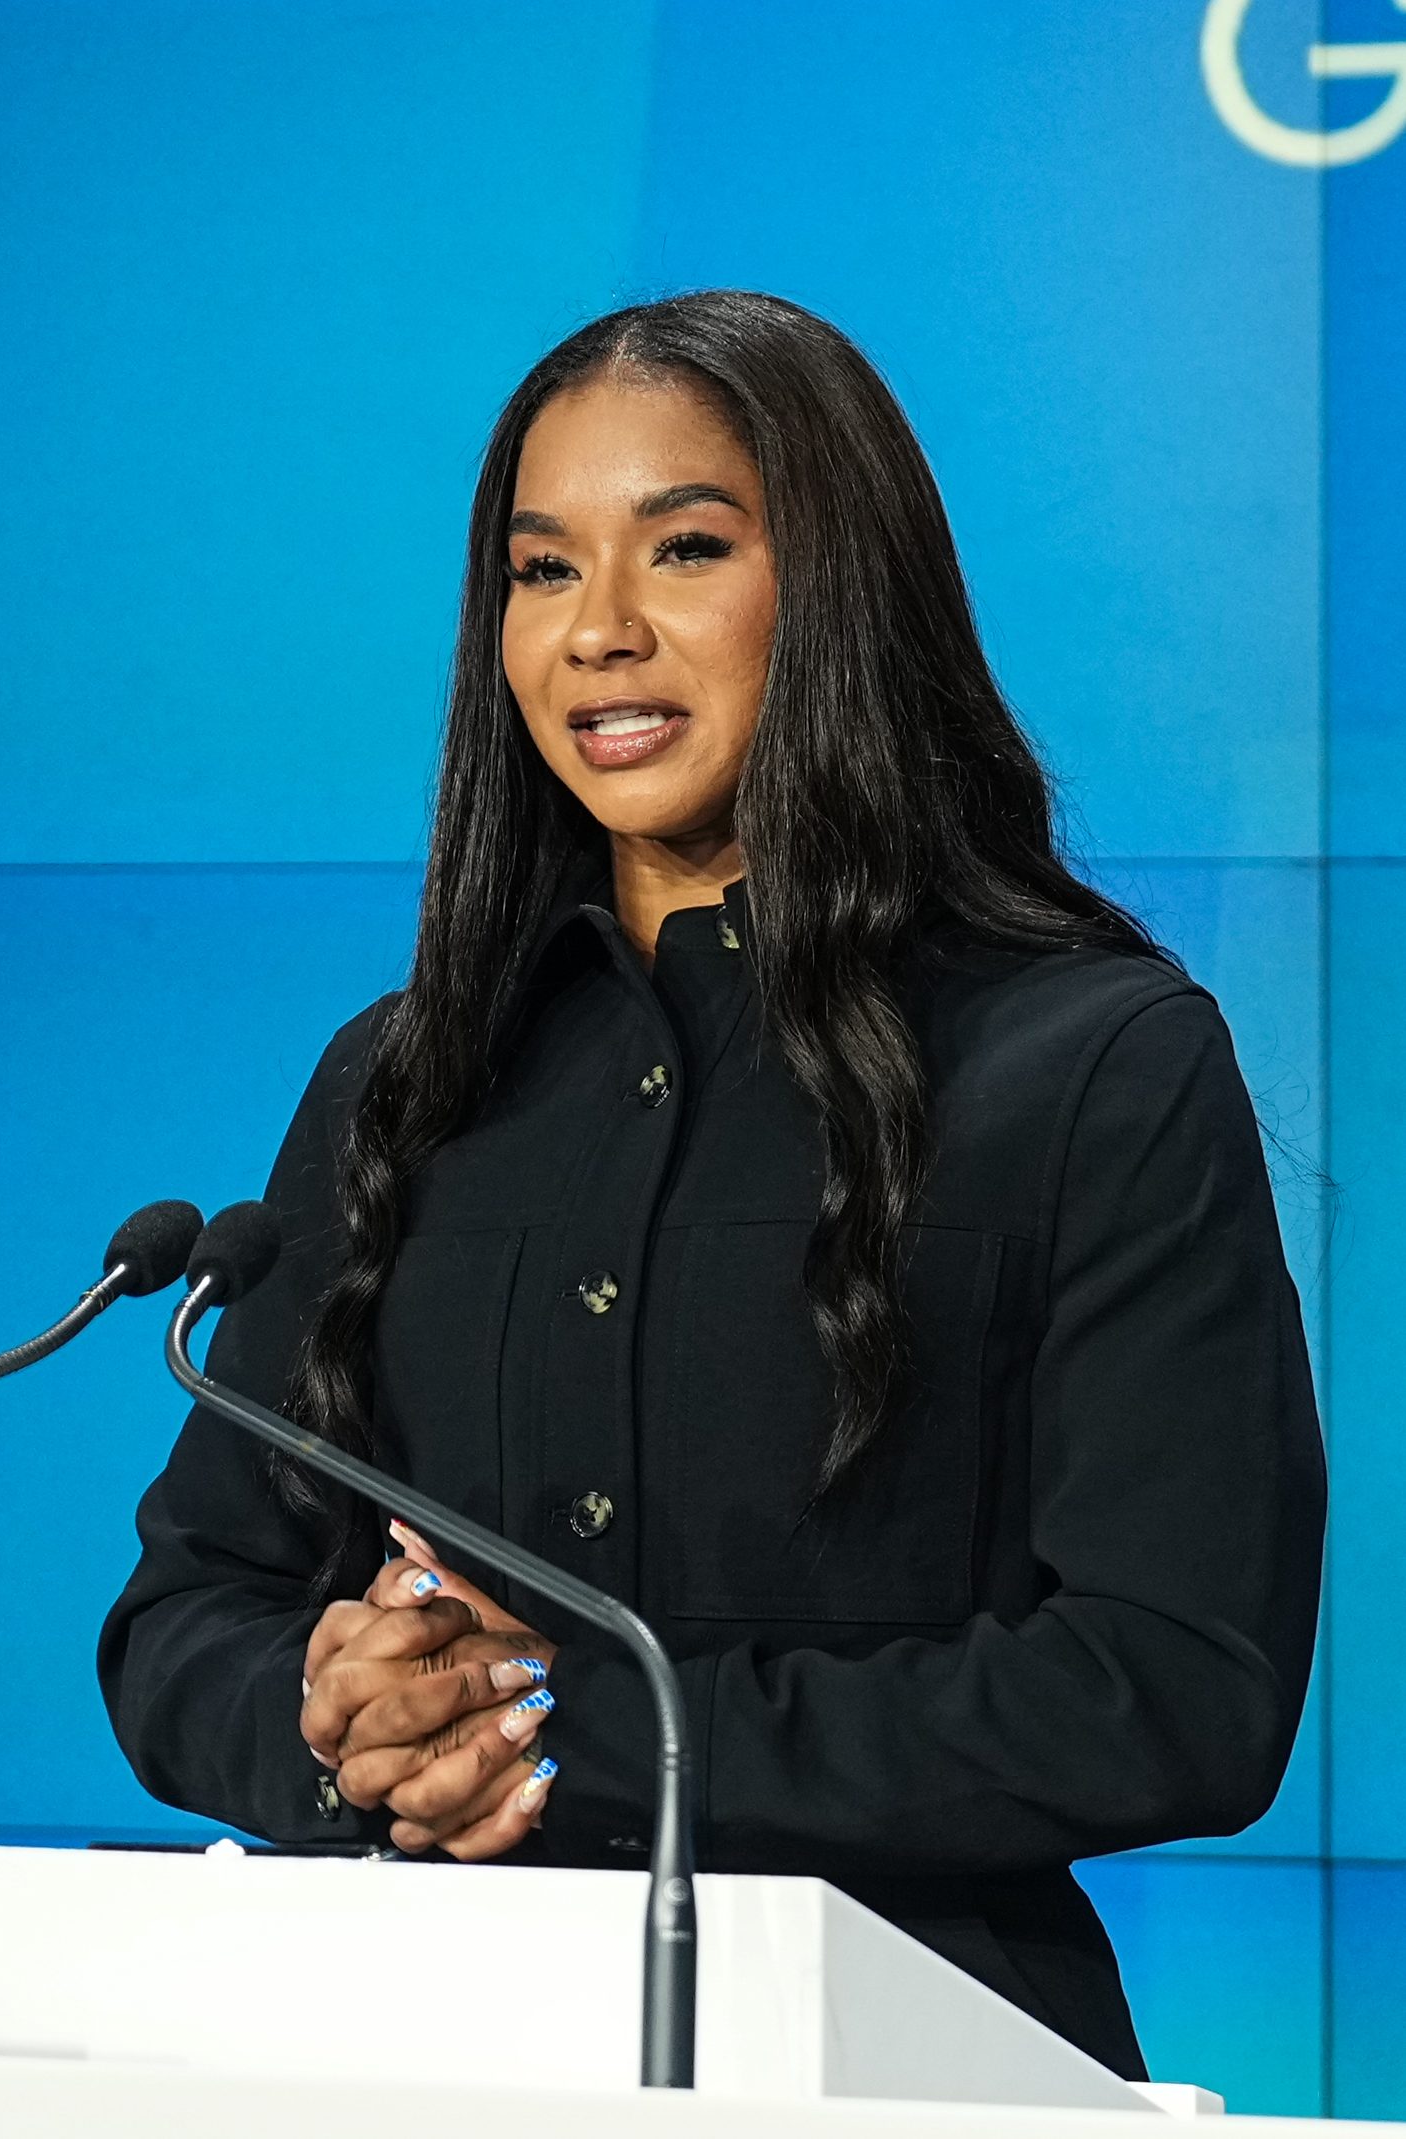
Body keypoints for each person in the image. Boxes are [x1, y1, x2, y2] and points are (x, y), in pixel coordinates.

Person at [98, 289, 1325, 2080]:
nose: (598, 633)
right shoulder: (402, 1079)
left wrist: (588, 1734)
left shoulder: (1091, 1066)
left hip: (916, 2066)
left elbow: (1177, 1684)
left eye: (683, 549)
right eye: (539, 573)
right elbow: (186, 1609)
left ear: (837, 592)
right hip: (413, 2061)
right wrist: (330, 1717)